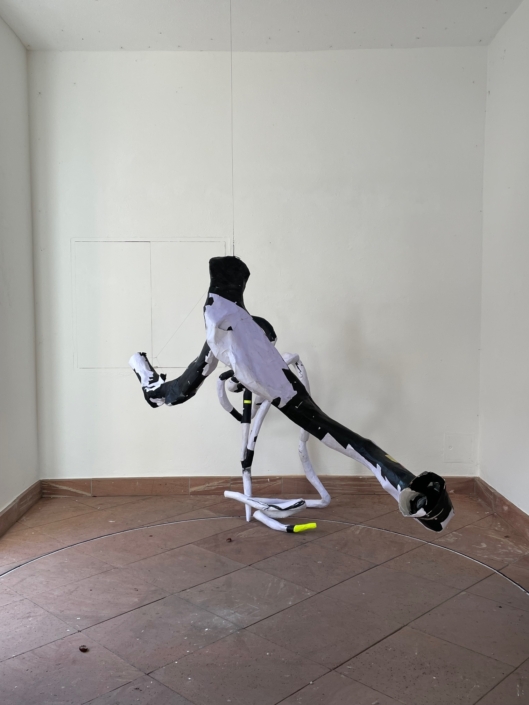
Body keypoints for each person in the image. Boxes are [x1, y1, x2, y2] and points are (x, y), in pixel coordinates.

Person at [130, 256, 454, 532]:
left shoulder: (240, 331)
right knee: (177, 391)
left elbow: (251, 360)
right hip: (271, 385)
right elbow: (195, 381)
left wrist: (243, 381)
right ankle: (148, 380)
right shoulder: (223, 327)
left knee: (344, 437)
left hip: (286, 393)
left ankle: (409, 488)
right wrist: (233, 386)